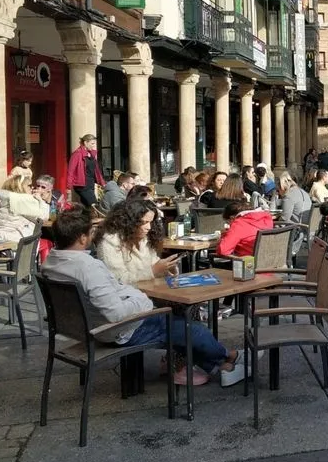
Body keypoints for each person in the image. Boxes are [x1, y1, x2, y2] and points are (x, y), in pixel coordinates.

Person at [43, 206, 246, 387]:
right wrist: (143, 302)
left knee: (180, 327)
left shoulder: (50, 263)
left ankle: (222, 364)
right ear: (82, 238)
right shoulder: (88, 267)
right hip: (118, 329)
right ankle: (228, 359)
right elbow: (116, 313)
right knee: (190, 329)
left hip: (88, 326)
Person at [95, 199, 181, 286]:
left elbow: (154, 263)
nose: (149, 227)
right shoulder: (110, 243)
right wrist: (153, 271)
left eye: (150, 222)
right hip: (126, 294)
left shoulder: (144, 240)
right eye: (144, 222)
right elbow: (118, 279)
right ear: (129, 222)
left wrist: (166, 268)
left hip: (148, 291)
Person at [0, 174, 50, 240]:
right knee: (48, 242)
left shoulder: (4, 200)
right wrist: (41, 200)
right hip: (16, 241)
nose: (32, 188)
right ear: (20, 187)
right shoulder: (21, 201)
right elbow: (43, 218)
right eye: (29, 186)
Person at [67, 134, 105, 208]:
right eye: (92, 143)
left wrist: (102, 183)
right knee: (94, 206)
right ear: (85, 143)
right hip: (82, 186)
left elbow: (96, 170)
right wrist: (68, 187)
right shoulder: (77, 154)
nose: (94, 146)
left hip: (91, 184)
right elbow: (70, 171)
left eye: (94, 144)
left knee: (86, 207)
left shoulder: (91, 154)